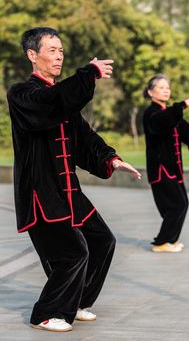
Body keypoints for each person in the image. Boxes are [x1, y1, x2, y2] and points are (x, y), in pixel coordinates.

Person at [7, 27, 141, 332]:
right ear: (32, 55)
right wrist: (87, 74)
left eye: (61, 51)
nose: (58, 56)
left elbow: (84, 138)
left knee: (102, 241)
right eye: (51, 50)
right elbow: (51, 102)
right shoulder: (22, 94)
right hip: (42, 193)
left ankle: (76, 301)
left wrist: (111, 159)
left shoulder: (63, 103)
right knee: (72, 253)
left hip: (70, 193)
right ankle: (46, 312)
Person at [143, 74, 189, 253]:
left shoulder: (167, 112)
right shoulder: (152, 114)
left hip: (173, 169)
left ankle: (170, 240)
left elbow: (185, 128)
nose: (166, 90)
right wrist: (183, 104)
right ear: (150, 92)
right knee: (178, 204)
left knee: (181, 203)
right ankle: (162, 242)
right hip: (161, 169)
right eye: (161, 87)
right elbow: (163, 122)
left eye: (167, 87)